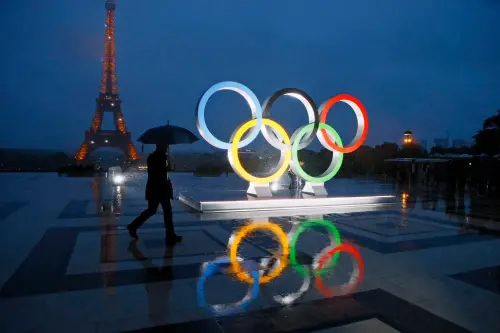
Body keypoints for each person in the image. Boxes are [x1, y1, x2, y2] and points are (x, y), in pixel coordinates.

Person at [127, 144, 182, 243]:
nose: (167, 147)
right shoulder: (156, 158)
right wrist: (165, 167)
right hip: (158, 188)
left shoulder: (156, 157)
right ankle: (170, 235)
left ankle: (133, 226)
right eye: (165, 146)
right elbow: (157, 173)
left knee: (157, 210)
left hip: (157, 189)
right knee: (162, 211)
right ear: (160, 146)